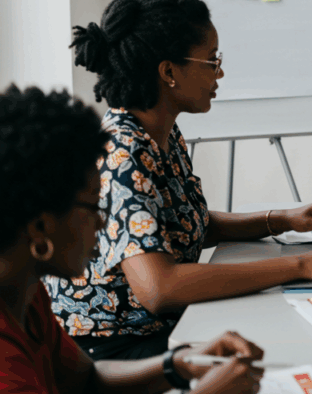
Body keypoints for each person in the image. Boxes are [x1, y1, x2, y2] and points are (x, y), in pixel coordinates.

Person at [45, 0, 312, 360]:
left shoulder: (160, 132)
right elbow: (159, 289)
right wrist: (304, 265)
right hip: (113, 348)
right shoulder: (124, 154)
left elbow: (190, 226)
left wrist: (284, 219)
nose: (220, 72)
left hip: (158, 328)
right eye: (210, 60)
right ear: (169, 72)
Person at [1, 84, 265, 394]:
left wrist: (178, 364)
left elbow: (87, 379)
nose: (102, 221)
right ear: (41, 227)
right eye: (93, 207)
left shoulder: (27, 293)